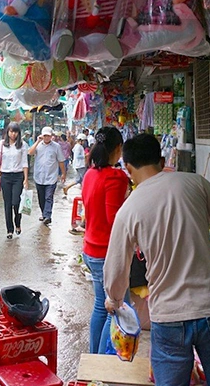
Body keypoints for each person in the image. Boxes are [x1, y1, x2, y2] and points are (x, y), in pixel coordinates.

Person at [104, 134, 210, 385]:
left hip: (169, 316)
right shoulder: (195, 183)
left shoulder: (129, 209)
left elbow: (116, 268)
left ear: (128, 169)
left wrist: (114, 300)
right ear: (161, 159)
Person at [79, 127, 130, 354]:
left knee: (101, 307)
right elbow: (114, 221)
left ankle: (94, 360)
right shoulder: (116, 177)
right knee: (115, 308)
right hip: (105, 253)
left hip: (90, 249)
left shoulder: (90, 174)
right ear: (118, 148)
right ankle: (100, 364)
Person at [0, 123, 29, 239]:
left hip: (18, 176)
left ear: (18, 133)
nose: (13, 134)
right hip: (5, 176)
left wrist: (26, 179)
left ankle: (17, 223)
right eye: (11, 131)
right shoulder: (2, 144)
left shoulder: (23, 145)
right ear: (7, 132)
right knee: (7, 204)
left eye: (15, 132)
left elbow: (25, 163)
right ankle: (9, 229)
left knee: (16, 202)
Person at [28, 127, 66, 226]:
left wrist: (63, 173)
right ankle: (44, 214)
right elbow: (30, 152)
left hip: (51, 177)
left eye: (48, 136)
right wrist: (37, 141)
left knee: (48, 197)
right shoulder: (38, 146)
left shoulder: (56, 146)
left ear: (51, 136)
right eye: (45, 136)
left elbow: (61, 160)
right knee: (41, 197)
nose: (46, 138)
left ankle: (48, 216)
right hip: (39, 176)